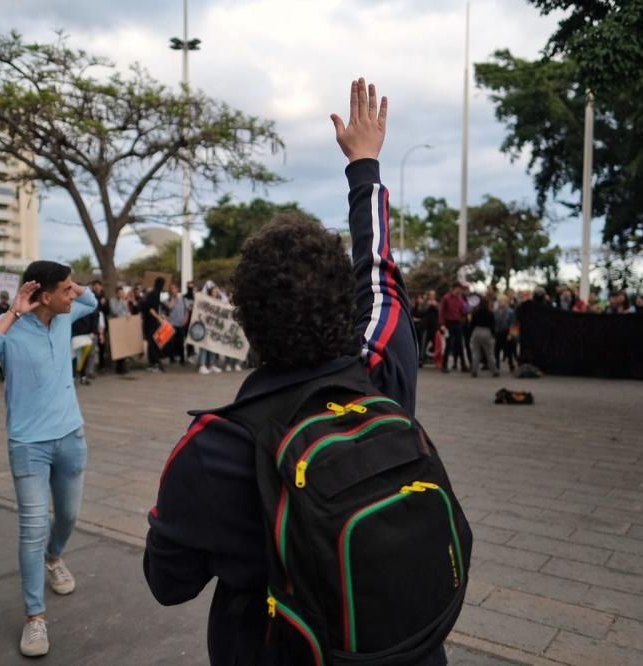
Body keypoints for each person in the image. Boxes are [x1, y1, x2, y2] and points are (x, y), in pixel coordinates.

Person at [144, 78, 445, 665]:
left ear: (246, 323)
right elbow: (380, 274)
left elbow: (167, 582)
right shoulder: (381, 374)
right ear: (342, 301)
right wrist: (365, 166)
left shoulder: (215, 447)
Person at [0, 261, 97, 657]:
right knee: (33, 527)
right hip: (28, 445)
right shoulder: (8, 328)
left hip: (71, 436)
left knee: (69, 516)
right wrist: (13, 312)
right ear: (44, 295)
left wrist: (73, 282)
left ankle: (55, 558)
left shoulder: (66, 315)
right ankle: (34, 618)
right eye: (66, 289)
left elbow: (89, 297)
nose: (75, 295)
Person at [139, 276, 167, 373]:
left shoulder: (153, 293)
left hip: (150, 321)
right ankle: (156, 364)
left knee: (153, 343)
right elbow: (151, 309)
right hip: (151, 322)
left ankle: (153, 363)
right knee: (153, 344)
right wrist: (158, 317)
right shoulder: (155, 294)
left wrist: (160, 316)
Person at [440, 283, 468, 373]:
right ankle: (444, 366)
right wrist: (442, 324)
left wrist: (466, 310)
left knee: (460, 344)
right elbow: (441, 312)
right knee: (448, 345)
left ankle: (463, 365)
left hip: (458, 323)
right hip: (449, 323)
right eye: (457, 289)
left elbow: (463, 311)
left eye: (460, 289)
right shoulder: (446, 298)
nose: (459, 291)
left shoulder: (460, 299)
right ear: (453, 289)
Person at [468, 296, 498, 378]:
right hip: (487, 332)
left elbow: (472, 324)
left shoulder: (475, 312)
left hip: (476, 331)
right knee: (490, 353)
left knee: (476, 352)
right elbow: (493, 325)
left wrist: (471, 334)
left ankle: (474, 370)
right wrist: (494, 335)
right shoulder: (490, 313)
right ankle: (494, 370)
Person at [493, 294, 516, 373]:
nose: (501, 303)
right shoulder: (495, 312)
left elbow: (513, 324)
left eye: (502, 301)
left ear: (506, 302)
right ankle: (497, 365)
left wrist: (510, 334)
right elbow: (493, 323)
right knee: (497, 349)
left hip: (506, 332)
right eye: (499, 301)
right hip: (498, 332)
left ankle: (511, 364)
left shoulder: (510, 312)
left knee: (508, 350)